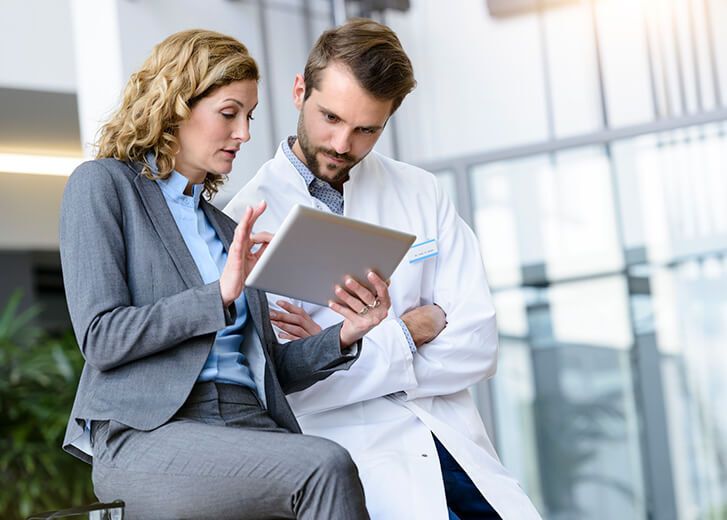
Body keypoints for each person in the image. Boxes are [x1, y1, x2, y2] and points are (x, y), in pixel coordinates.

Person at [59, 29, 391, 519]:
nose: (245, 134)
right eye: (229, 113)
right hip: (150, 433)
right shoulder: (104, 186)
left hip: (247, 421)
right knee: (324, 466)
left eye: (249, 117)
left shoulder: (224, 225)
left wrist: (346, 333)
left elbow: (267, 369)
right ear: (175, 105)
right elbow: (101, 337)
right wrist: (218, 295)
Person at [224, 18, 542, 520]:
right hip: (362, 468)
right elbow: (283, 388)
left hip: (455, 449)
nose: (342, 144)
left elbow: (478, 345)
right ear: (299, 90)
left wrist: (339, 350)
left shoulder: (420, 192)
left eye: (366, 129)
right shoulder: (244, 220)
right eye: (330, 117)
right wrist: (415, 326)